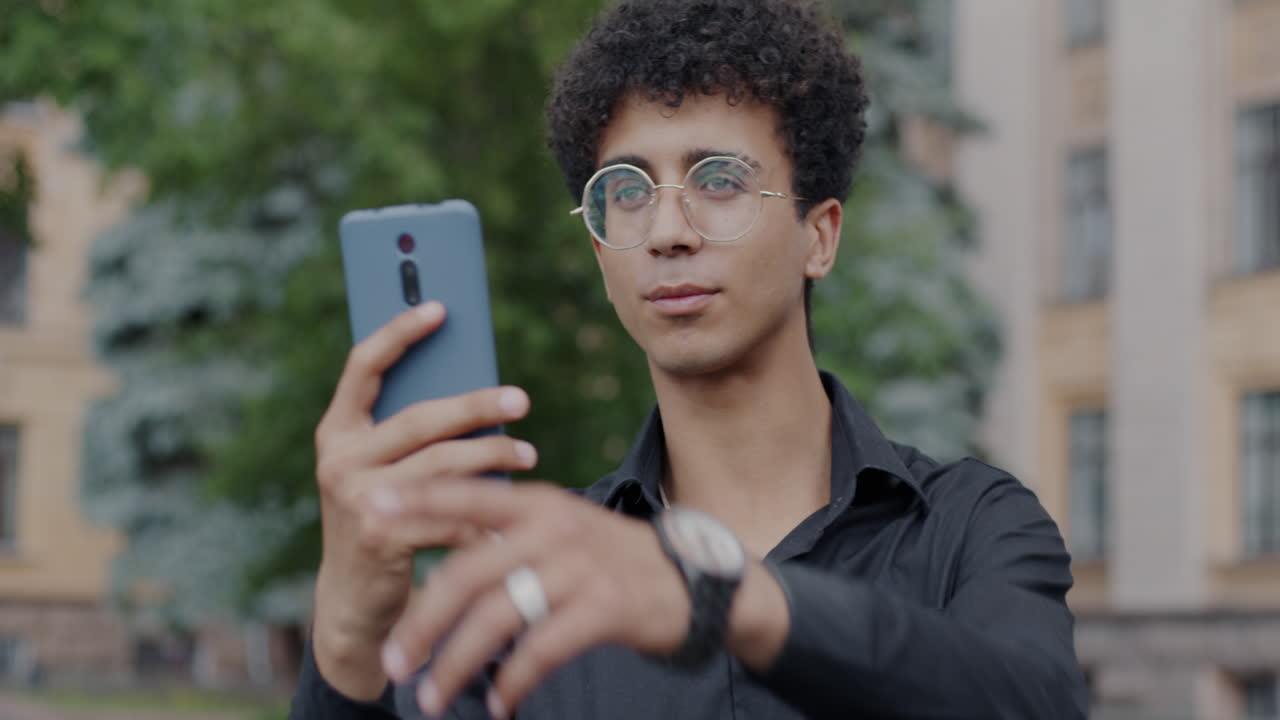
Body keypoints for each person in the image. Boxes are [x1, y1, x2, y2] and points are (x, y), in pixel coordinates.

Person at [289, 0, 1089, 717]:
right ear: (600, 246)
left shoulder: (973, 525)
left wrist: (720, 596)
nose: (667, 230)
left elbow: (1031, 701)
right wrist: (348, 647)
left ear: (821, 235)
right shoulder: (535, 579)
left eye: (719, 180)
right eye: (627, 191)